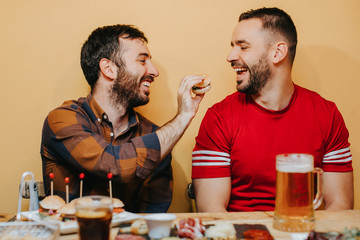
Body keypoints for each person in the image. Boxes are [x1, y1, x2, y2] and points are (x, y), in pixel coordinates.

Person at [191, 7, 354, 212]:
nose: (230, 56)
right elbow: (211, 213)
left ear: (277, 52)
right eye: (233, 46)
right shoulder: (219, 118)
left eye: (243, 47)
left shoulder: (327, 115)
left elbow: (340, 206)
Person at [41, 24, 206, 213]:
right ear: (109, 69)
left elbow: (152, 214)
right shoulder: (63, 119)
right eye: (142, 61)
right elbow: (112, 164)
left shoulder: (156, 135)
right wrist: (183, 116)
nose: (154, 71)